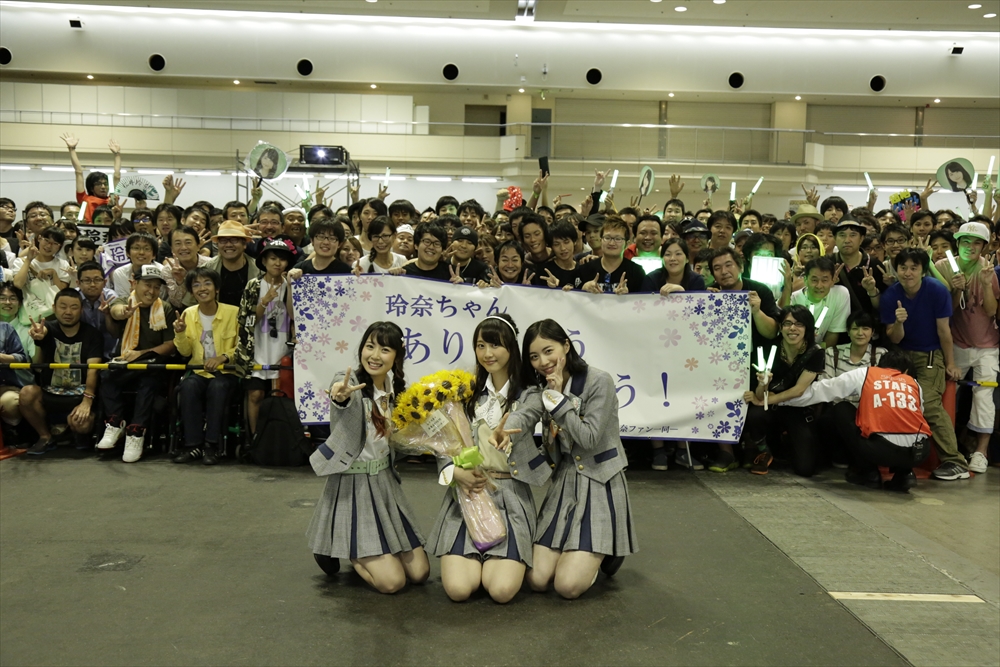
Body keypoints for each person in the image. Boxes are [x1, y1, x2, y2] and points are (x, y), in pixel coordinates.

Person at [500, 319, 637, 599]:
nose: (543, 362)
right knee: (537, 580)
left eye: (548, 351)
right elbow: (525, 414)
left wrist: (558, 401)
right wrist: (505, 429)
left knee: (567, 586)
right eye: (534, 356)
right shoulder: (541, 388)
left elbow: (589, 438)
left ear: (566, 346)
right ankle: (585, 551)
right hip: (564, 480)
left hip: (600, 480)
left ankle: (607, 551)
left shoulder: (598, 381)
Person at [429, 314, 549, 604]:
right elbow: (444, 442)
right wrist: (453, 472)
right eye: (481, 345)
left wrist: (507, 429)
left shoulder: (530, 394)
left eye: (495, 345)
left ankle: (496, 563)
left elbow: (526, 416)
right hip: (469, 491)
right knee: (458, 590)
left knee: (501, 591)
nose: (487, 353)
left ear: (511, 348)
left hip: (511, 495)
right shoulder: (464, 392)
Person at [306, 322, 430, 594]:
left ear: (397, 355)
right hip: (354, 484)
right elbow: (341, 395)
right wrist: (339, 396)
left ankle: (361, 547)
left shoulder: (395, 390)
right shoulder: (350, 382)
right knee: (393, 583)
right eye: (370, 346)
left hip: (385, 482)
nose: (374, 355)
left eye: (384, 349)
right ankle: (345, 545)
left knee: (420, 573)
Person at [782, 349, 932, 492]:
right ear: (906, 371)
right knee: (906, 423)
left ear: (879, 365)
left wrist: (781, 399)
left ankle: (868, 472)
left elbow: (821, 390)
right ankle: (904, 475)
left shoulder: (866, 373)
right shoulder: (914, 383)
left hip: (879, 451)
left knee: (842, 408)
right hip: (919, 452)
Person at [880, 247, 968, 481]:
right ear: (896, 269)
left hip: (930, 356)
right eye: (903, 268)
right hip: (901, 356)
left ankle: (955, 461)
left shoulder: (936, 290)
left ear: (922, 270)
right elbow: (894, 338)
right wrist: (899, 322)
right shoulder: (890, 296)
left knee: (927, 402)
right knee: (891, 399)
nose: (908, 273)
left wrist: (950, 363)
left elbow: (944, 331)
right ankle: (894, 458)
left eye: (914, 268)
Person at [704, 247, 780, 473]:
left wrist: (756, 311)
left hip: (756, 364)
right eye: (717, 268)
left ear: (740, 266)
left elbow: (772, 332)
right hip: (720, 364)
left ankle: (751, 449)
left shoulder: (759, 291)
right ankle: (726, 452)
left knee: (754, 408)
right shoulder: (710, 294)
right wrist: (707, 304)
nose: (724, 271)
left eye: (728, 265)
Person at [932, 222, 999, 475]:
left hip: (987, 345)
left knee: (984, 396)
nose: (970, 247)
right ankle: (945, 449)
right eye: (965, 242)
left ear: (984, 247)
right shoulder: (943, 266)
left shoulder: (987, 270)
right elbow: (944, 312)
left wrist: (985, 284)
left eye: (976, 243)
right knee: (946, 394)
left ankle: (981, 452)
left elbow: (991, 311)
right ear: (957, 243)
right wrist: (954, 289)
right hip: (956, 343)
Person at [95, 265, 176, 462]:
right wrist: (123, 313)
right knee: (107, 374)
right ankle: (115, 423)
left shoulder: (165, 308)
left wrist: (140, 354)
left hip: (152, 363)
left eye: (156, 287)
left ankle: (137, 432)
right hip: (125, 362)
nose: (152, 291)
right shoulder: (124, 301)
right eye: (147, 285)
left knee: (148, 381)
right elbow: (117, 311)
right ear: (134, 284)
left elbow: (170, 345)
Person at [741, 306, 825, 476]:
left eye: (799, 324)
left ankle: (786, 447)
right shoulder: (768, 349)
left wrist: (766, 399)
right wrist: (763, 385)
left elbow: (798, 390)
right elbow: (760, 395)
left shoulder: (815, 352)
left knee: (805, 469)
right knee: (755, 415)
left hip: (797, 408)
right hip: (771, 408)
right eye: (787, 323)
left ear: (807, 328)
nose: (792, 328)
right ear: (780, 327)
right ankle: (764, 451)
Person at [19, 289, 103, 455]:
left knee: (82, 424)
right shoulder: (46, 328)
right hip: (50, 392)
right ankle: (45, 436)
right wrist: (38, 339)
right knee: (26, 394)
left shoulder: (93, 334)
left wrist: (87, 401)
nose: (68, 312)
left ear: (81, 310)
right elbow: (38, 362)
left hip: (79, 393)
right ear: (54, 308)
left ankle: (74, 433)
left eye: (74, 307)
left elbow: (93, 369)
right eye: (63, 307)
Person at [172, 268, 241, 465]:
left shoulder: (233, 313)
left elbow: (243, 346)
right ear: (192, 292)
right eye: (196, 285)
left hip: (227, 372)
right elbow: (185, 352)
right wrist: (180, 333)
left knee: (218, 387)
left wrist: (223, 357)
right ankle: (193, 445)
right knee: (188, 386)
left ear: (217, 288)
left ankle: (212, 445)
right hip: (198, 371)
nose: (202, 288)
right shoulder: (187, 314)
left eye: (207, 283)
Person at [235, 239, 298, 436]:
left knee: (282, 397)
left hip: (283, 352)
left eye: (282, 259)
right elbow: (246, 321)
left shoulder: (292, 285)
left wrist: (290, 288)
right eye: (272, 258)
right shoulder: (253, 285)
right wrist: (264, 302)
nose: (277, 263)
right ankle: (255, 438)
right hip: (256, 351)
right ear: (264, 261)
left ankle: (280, 438)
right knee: (255, 395)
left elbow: (295, 317)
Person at [790, 257, 852, 349]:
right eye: (814, 280)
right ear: (805, 280)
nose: (819, 286)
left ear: (833, 280)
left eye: (825, 280)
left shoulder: (840, 294)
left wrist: (819, 353)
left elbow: (833, 333)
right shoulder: (794, 299)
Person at [576, 217, 645, 295]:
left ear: (627, 244)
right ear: (601, 240)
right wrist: (583, 290)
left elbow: (644, 299)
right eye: (607, 238)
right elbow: (572, 297)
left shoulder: (636, 272)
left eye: (618, 239)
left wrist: (628, 297)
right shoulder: (585, 269)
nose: (612, 243)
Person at [60, 133, 120, 224]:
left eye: (105, 184)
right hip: (88, 229)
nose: (103, 187)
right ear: (91, 188)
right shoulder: (85, 199)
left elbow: (117, 176)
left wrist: (117, 154)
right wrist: (72, 149)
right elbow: (78, 172)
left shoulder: (112, 199)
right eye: (99, 184)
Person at [14, 227, 73, 319]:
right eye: (46, 240)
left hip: (54, 315)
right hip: (29, 313)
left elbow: (61, 293)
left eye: (55, 243)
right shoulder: (21, 262)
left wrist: (54, 274)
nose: (49, 246)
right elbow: (18, 284)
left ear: (60, 246)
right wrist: (28, 260)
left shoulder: (62, 264)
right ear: (39, 238)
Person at [832, 217, 884, 320]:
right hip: (835, 325)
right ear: (835, 239)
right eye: (842, 235)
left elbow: (881, 307)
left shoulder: (875, 266)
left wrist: (872, 290)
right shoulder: (827, 264)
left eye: (853, 235)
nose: (847, 240)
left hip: (866, 326)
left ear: (861, 239)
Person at [204, 221, 259, 307]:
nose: (228, 244)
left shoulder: (260, 270)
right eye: (223, 240)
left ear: (244, 244)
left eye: (234, 240)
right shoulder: (206, 269)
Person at [75, 261, 119, 360]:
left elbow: (115, 333)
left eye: (97, 280)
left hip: (109, 351)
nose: (92, 284)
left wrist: (107, 314)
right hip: (81, 352)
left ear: (105, 282)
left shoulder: (111, 297)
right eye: (87, 280)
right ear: (78, 283)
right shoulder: (73, 298)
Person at [163, 226, 211, 309]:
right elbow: (177, 303)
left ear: (198, 246)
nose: (183, 248)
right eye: (178, 244)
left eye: (188, 242)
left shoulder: (210, 264)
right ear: (172, 249)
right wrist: (180, 281)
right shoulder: (168, 270)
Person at [110, 233, 162, 299]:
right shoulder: (120, 273)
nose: (141, 252)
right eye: (136, 248)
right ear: (128, 253)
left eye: (146, 249)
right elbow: (122, 301)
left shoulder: (162, 272)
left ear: (154, 255)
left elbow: (163, 301)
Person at [0, 320, 27, 439]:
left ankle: (13, 432)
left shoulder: (5, 328)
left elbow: (21, 359)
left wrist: (1, 357)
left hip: (5, 387)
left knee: (9, 402)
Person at [537, 220, 580, 289]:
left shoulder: (582, 269)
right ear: (551, 247)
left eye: (566, 242)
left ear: (574, 242)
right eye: (556, 244)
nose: (563, 248)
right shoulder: (544, 272)